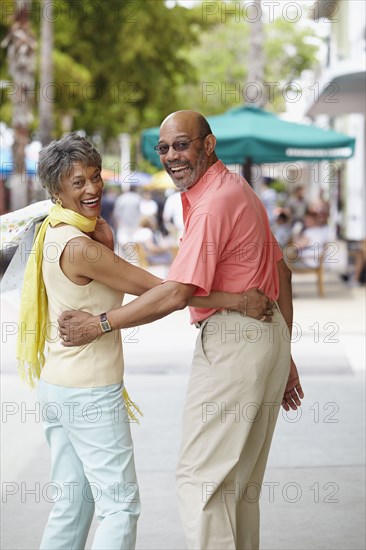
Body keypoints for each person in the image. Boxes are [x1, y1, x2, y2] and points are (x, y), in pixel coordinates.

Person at [58, 112, 304, 550]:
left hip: (234, 344)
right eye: (164, 148)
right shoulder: (239, 190)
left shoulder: (212, 204)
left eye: (182, 145)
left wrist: (99, 324)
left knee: (200, 481)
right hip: (265, 338)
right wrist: (283, 354)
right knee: (238, 486)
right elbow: (281, 272)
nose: (172, 156)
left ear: (208, 146)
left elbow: (175, 294)